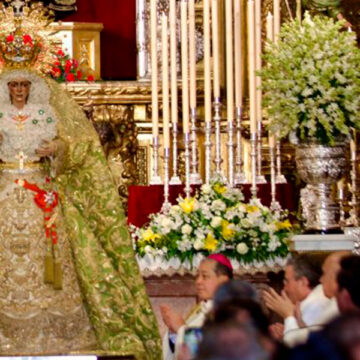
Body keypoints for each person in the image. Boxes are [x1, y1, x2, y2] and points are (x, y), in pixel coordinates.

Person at [0, 71, 161, 357]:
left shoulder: (44, 111)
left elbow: (68, 145)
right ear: (7, 88)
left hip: (41, 192)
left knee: (49, 251)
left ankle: (56, 328)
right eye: (14, 85)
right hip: (7, 190)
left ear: (31, 87)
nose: (19, 90)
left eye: (24, 84)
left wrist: (55, 149)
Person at [161, 254, 233, 360]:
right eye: (197, 276)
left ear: (223, 281)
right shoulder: (200, 309)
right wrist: (173, 334)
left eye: (205, 276)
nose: (198, 281)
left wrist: (181, 328)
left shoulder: (232, 311)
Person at [263, 254, 331, 347]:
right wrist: (287, 330)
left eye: (287, 281)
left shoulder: (315, 304)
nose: (285, 288)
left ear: (303, 282)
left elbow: (300, 348)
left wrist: (288, 316)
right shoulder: (313, 298)